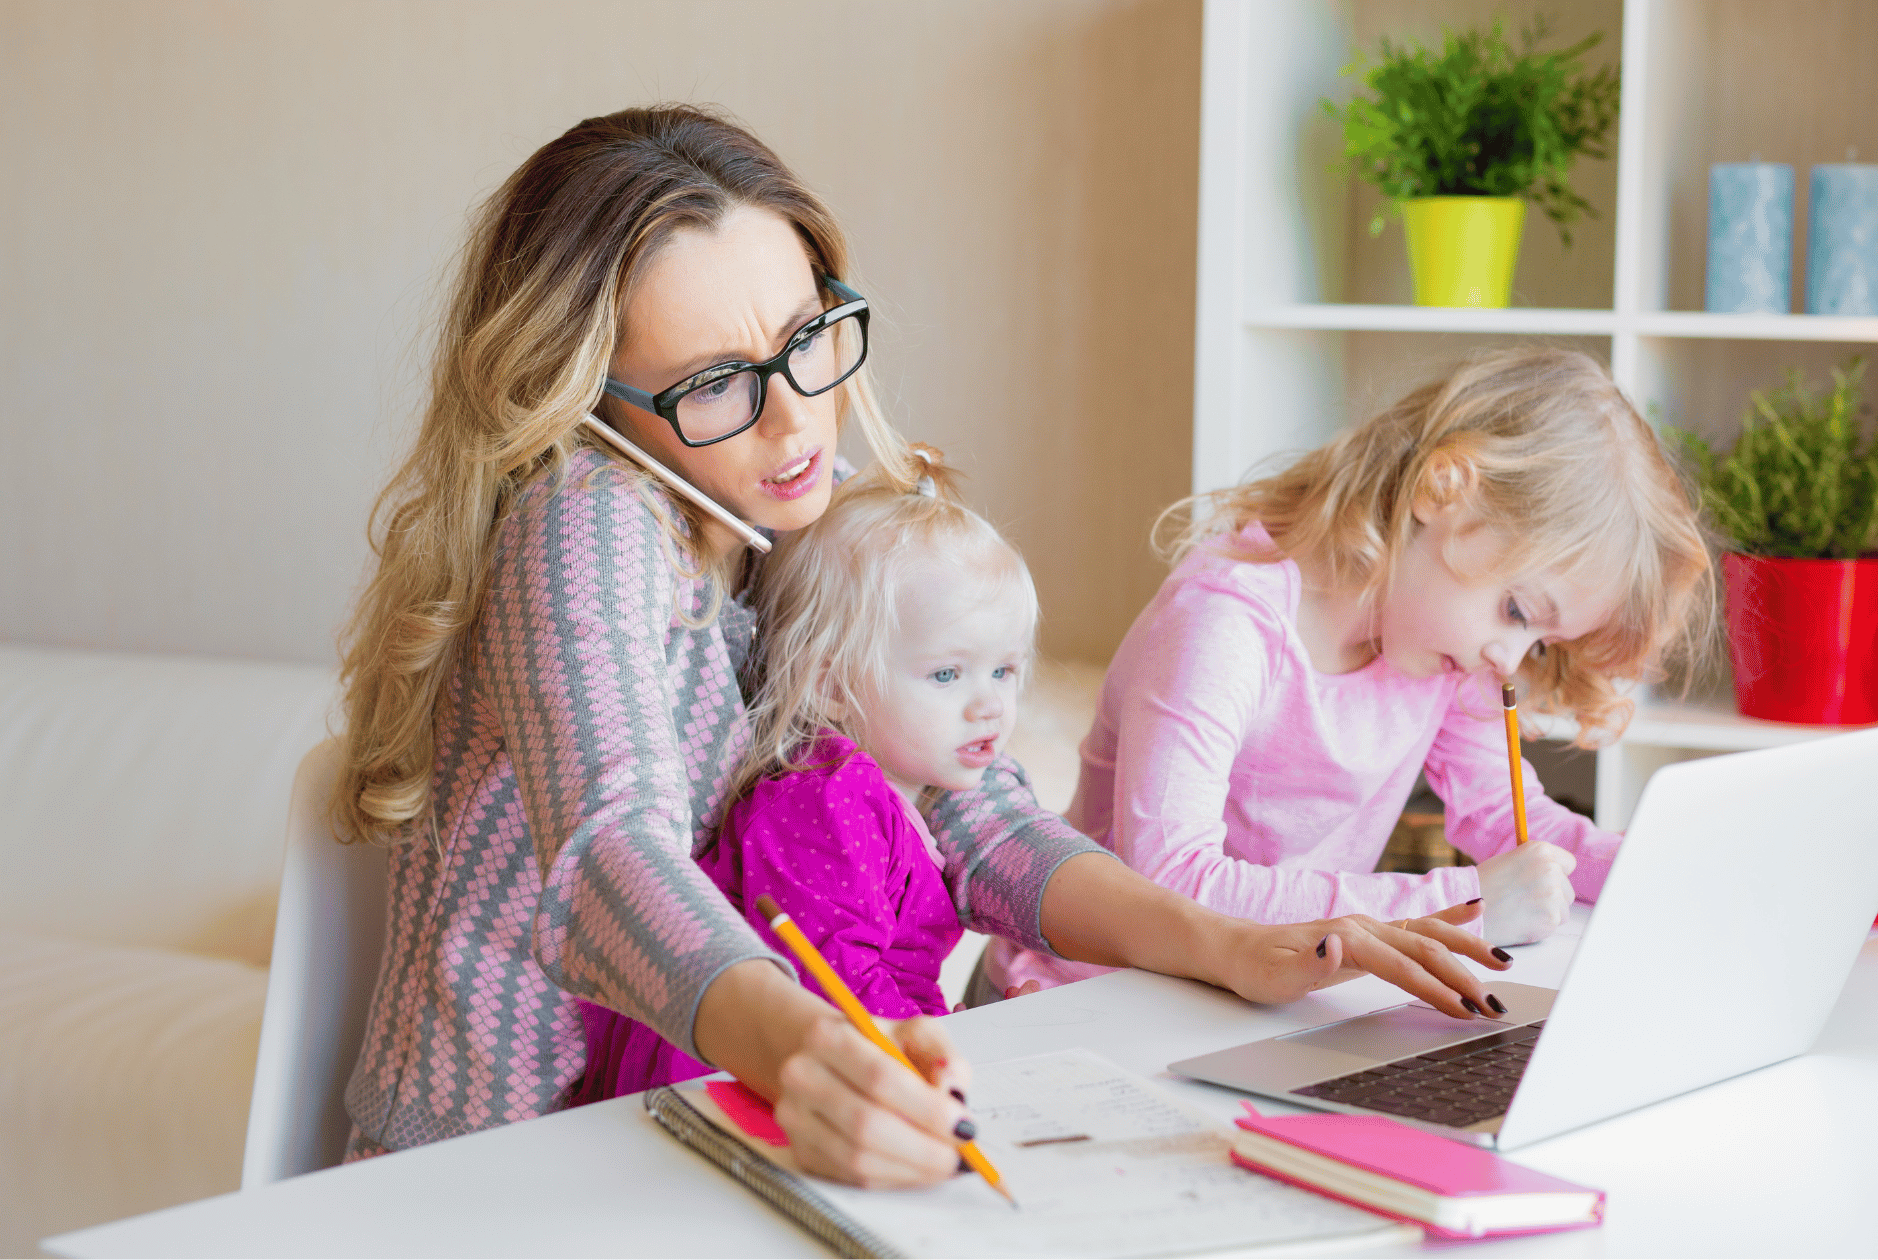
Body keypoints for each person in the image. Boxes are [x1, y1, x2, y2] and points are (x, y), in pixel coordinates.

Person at [331, 104, 1499, 1188]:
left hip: (668, 1121)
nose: (794, 423)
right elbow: (606, 855)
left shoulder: (790, 502)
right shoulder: (584, 516)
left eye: (805, 342)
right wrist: (801, 1054)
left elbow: (973, 811)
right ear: (588, 403)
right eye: (712, 388)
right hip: (499, 1162)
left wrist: (1227, 944)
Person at [981, 348, 1712, 1002]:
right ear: (1443, 491)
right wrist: (1460, 901)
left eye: (1543, 642)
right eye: (1519, 609)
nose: (1511, 660)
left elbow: (1512, 821)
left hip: (1257, 996)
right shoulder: (1228, 622)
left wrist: (1660, 868)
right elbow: (1171, 883)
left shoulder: (1441, 650)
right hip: (1081, 996)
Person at [574, 447, 1063, 1104]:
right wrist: (955, 1049)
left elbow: (887, 993)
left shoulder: (890, 799)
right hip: (713, 1088)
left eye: (1003, 670)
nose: (990, 705)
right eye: (948, 674)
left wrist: (966, 1037)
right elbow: (840, 990)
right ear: (830, 684)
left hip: (822, 1069)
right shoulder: (830, 800)